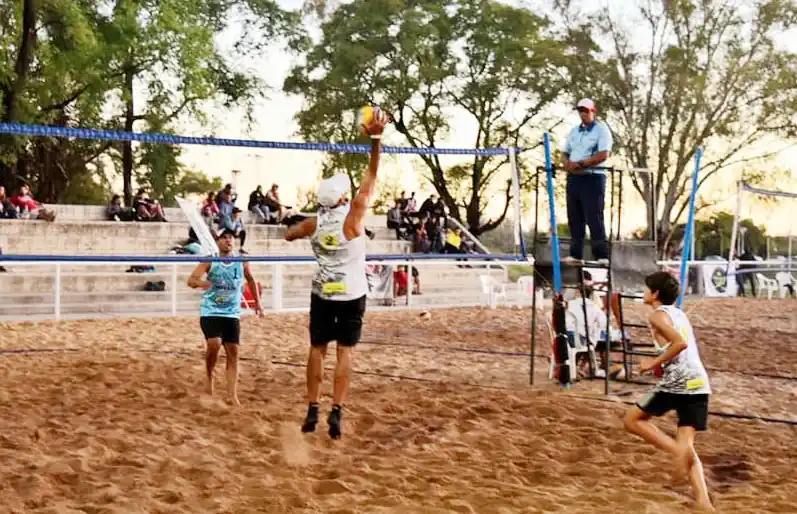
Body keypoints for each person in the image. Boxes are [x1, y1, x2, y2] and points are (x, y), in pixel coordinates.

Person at [284, 107, 389, 439]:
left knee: (317, 349)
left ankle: (312, 408)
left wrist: (297, 224)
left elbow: (289, 235)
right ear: (343, 198)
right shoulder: (354, 217)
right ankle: (337, 411)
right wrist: (376, 139)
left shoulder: (313, 223)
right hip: (351, 294)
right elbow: (372, 173)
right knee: (345, 351)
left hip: (323, 292)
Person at [623, 271, 713, 512]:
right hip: (699, 382)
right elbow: (680, 346)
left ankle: (678, 453)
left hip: (679, 382)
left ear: (655, 294)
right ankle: (703, 501)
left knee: (632, 420)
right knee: (687, 443)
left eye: (646, 289)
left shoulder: (657, 316)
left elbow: (680, 344)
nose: (643, 292)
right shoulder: (679, 313)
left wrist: (651, 363)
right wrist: (660, 365)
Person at [187, 229, 263, 406]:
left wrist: (258, 304)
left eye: (230, 238)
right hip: (211, 310)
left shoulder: (241, 261)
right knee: (214, 344)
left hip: (232, 312)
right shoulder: (210, 260)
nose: (228, 240)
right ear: (217, 241)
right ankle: (209, 376)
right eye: (224, 238)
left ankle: (232, 394)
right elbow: (191, 280)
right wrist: (203, 283)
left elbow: (251, 280)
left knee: (233, 351)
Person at [561, 98, 612, 263]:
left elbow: (603, 154)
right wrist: (567, 164)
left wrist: (582, 164)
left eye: (586, 110)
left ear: (593, 111)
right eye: (580, 111)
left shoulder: (601, 130)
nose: (583, 114)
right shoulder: (574, 132)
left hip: (593, 177)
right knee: (574, 217)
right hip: (574, 178)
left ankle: (602, 255)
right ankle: (575, 254)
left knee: (594, 216)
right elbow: (565, 152)